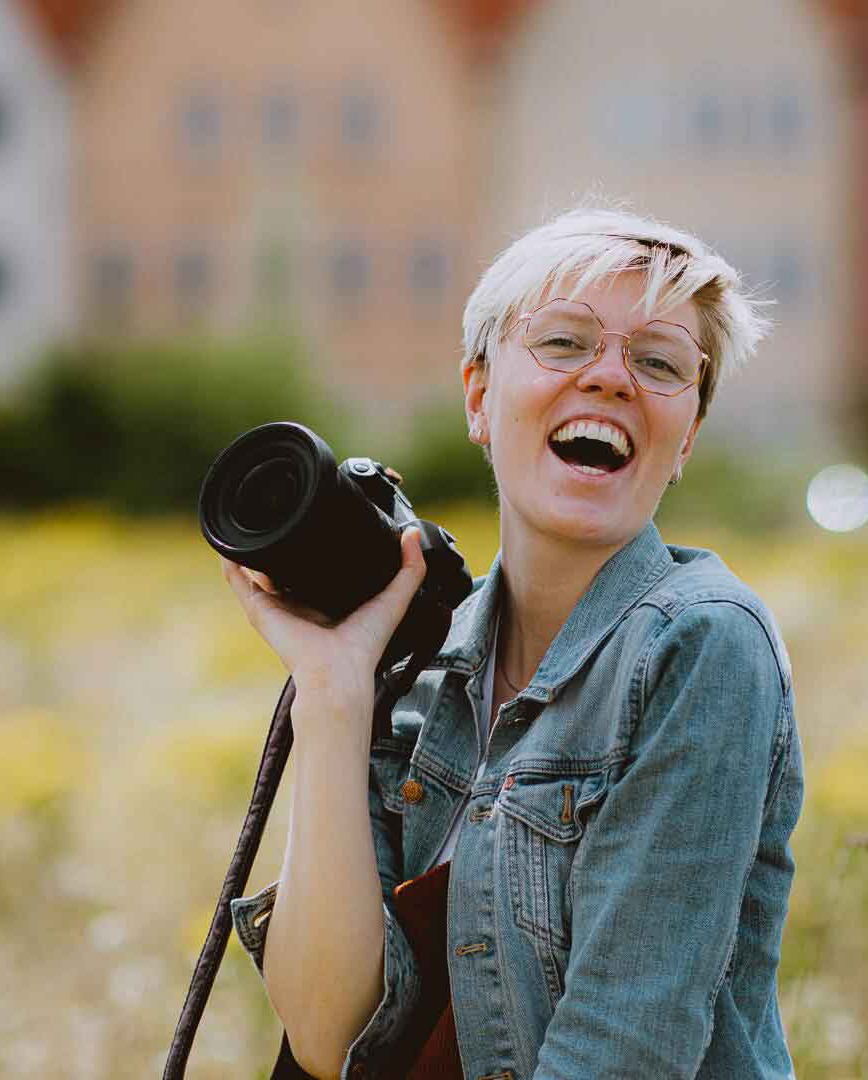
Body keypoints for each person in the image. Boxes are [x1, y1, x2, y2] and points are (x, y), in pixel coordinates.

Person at [222, 206, 805, 1079]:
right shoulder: (417, 666)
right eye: (566, 343)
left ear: (684, 439)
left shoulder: (703, 645)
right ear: (479, 398)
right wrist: (335, 692)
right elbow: (328, 1033)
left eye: (658, 362)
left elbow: (621, 1053)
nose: (612, 378)